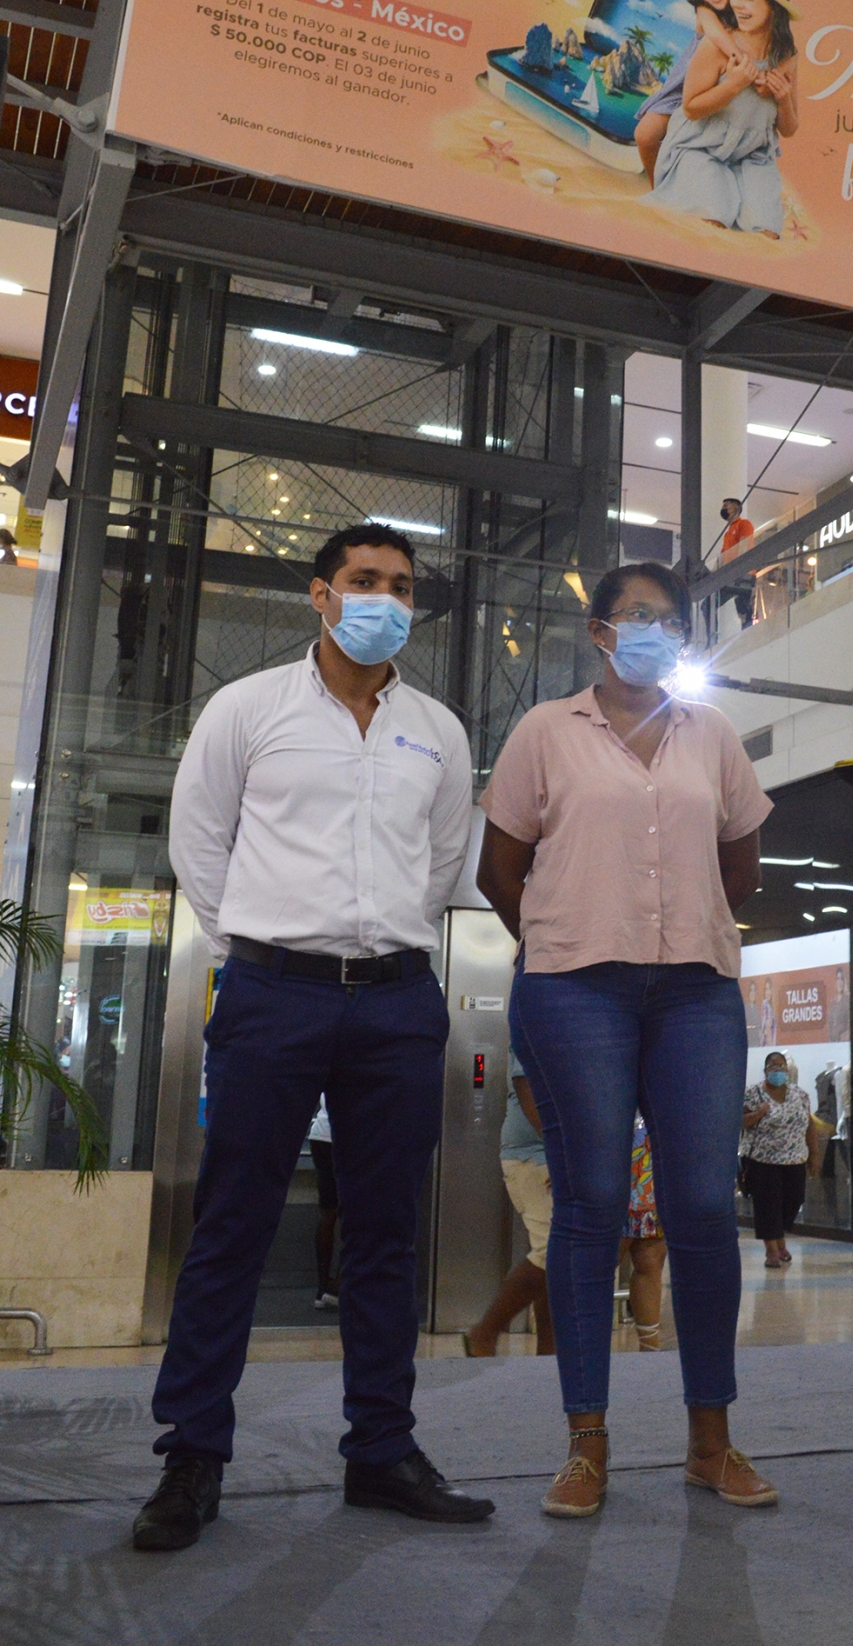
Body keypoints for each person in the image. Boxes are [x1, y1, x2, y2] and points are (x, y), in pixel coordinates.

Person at [132, 523, 493, 1552]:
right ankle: (192, 1457)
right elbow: (198, 843)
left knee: (386, 1232)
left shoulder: (437, 728)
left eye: (402, 586)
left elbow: (439, 861)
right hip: (272, 994)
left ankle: (380, 1448)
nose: (386, 599)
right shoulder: (247, 709)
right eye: (364, 580)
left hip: (396, 1001)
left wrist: (375, 948)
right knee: (232, 1224)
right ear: (320, 595)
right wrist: (264, 944)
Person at [476, 559, 778, 1517]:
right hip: (575, 989)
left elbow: (740, 866)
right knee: (591, 1203)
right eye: (635, 614)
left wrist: (679, 927)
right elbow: (499, 870)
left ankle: (711, 1442)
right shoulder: (545, 731)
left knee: (702, 1208)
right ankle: (586, 1444)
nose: (654, 629)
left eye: (669, 619)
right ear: (600, 631)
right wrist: (567, 933)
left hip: (695, 991)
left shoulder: (712, 734)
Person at [641, 0, 799, 238]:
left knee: (767, 231)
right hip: (699, 147)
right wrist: (733, 85)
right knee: (714, 217)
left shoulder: (786, 56)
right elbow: (691, 109)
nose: (736, 3)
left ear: (773, 8)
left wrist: (783, 97)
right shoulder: (716, 45)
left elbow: (789, 129)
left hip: (753, 158)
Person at [465, 1052, 555, 1357]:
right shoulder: (534, 1025)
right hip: (535, 1155)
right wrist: (561, 1149)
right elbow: (525, 1083)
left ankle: (549, 1354)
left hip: (550, 1154)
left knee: (556, 1261)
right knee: (552, 1253)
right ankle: (485, 1332)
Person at [635, 0, 744, 184]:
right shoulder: (703, 8)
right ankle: (657, 184)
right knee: (644, 134)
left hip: (716, 94)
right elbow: (715, 33)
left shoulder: (743, 12)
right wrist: (742, 60)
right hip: (682, 90)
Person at [740, 1053, 817, 1267]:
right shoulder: (753, 1093)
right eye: (773, 1067)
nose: (778, 1071)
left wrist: (814, 1154)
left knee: (794, 1199)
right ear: (765, 1070)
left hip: (795, 1159)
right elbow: (742, 1122)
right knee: (768, 1205)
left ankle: (780, 1237)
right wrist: (759, 1113)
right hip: (763, 1159)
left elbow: (809, 1124)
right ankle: (772, 1250)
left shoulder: (799, 1094)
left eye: (781, 1066)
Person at [621, 1117, 667, 1351]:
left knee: (650, 1260)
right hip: (611, 1153)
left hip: (651, 1156)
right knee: (599, 1262)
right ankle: (583, 1351)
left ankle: (650, 1350)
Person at [308, 1097, 339, 1312]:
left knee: (328, 1213)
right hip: (348, 1135)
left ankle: (322, 1288)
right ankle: (339, 1286)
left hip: (320, 1134)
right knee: (352, 1212)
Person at [719, 498, 756, 628]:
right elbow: (722, 557)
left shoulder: (744, 524)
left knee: (743, 609)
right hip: (730, 576)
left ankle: (747, 632)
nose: (723, 509)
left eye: (726, 506)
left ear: (735, 508)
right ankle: (712, 638)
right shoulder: (728, 532)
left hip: (743, 574)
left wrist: (737, 569)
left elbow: (743, 547)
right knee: (707, 606)